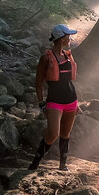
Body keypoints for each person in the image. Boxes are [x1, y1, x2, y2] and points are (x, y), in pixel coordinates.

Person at [29, 23, 79, 171]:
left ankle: (63, 166)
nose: (70, 38)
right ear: (61, 38)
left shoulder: (68, 55)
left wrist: (78, 103)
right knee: (53, 134)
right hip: (54, 101)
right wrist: (41, 103)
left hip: (71, 99)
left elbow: (69, 81)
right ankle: (34, 164)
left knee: (65, 133)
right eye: (68, 35)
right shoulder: (46, 58)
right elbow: (38, 83)